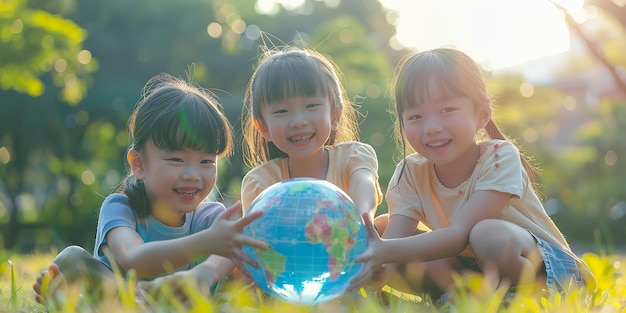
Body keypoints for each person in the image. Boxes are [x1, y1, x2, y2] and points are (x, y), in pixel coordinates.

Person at [349, 48, 596, 303]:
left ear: (482, 114)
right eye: (416, 116)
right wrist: (370, 269)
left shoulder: (500, 156)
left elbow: (458, 235)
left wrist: (385, 251)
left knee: (486, 234)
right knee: (383, 227)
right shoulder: (410, 171)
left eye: (447, 110)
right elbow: (393, 241)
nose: (432, 127)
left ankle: (527, 295)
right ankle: (458, 296)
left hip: (552, 270)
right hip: (472, 268)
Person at [33, 73, 268, 307]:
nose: (192, 175)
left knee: (244, 279)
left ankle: (76, 300)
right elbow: (133, 258)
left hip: (182, 303)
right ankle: (127, 296)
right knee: (72, 257)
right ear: (139, 164)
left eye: (206, 162)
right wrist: (207, 242)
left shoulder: (210, 217)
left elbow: (231, 250)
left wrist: (205, 271)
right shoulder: (121, 208)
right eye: (176, 159)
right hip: (121, 298)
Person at [240, 46, 382, 218]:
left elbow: (363, 196)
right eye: (281, 111)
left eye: (311, 106)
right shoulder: (260, 182)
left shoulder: (353, 157)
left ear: (334, 114)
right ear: (263, 127)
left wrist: (359, 221)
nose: (299, 121)